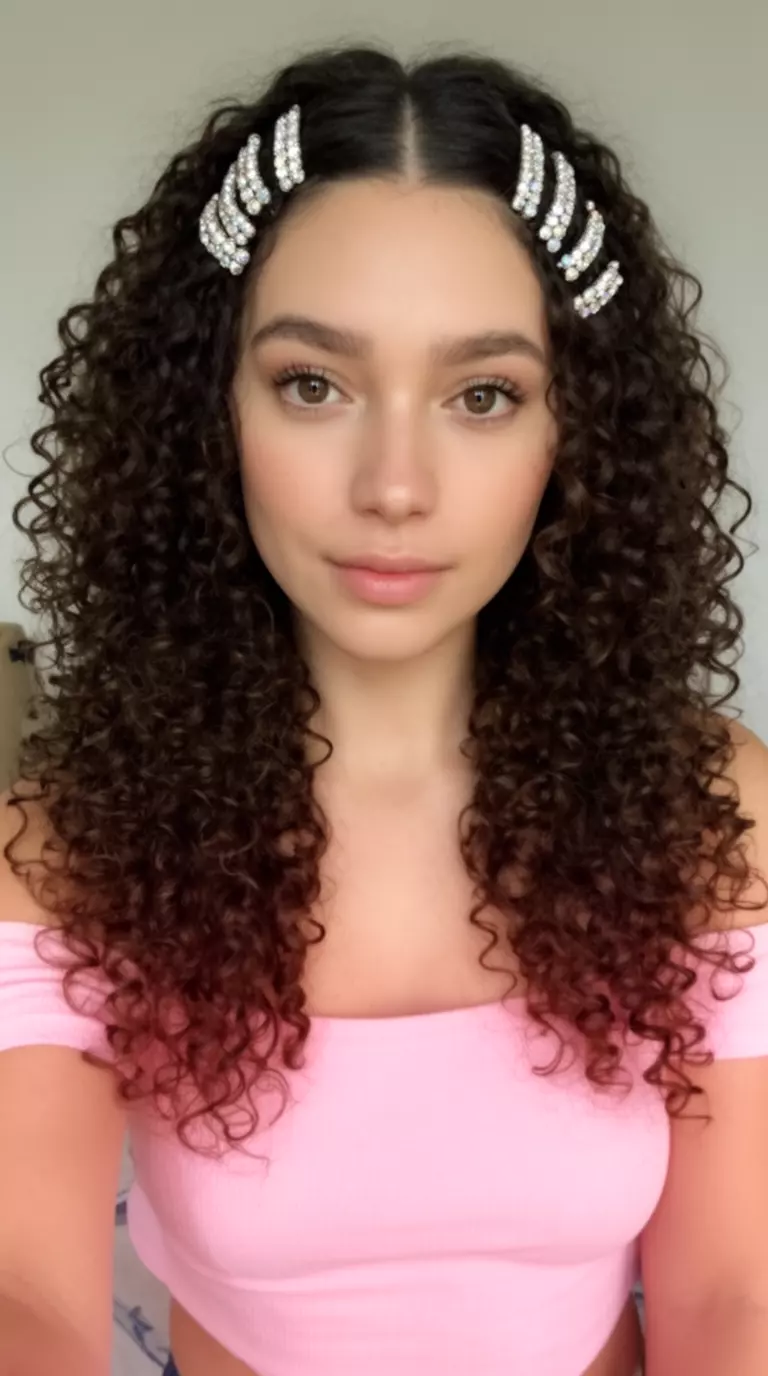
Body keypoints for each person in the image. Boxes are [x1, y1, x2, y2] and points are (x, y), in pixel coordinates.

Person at [1, 40, 768, 1376]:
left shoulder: (706, 813)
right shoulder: (73, 847)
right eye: (315, 384)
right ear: (209, 414)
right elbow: (27, 1305)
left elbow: (730, 1304)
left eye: (483, 394)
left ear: (569, 435)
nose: (396, 485)